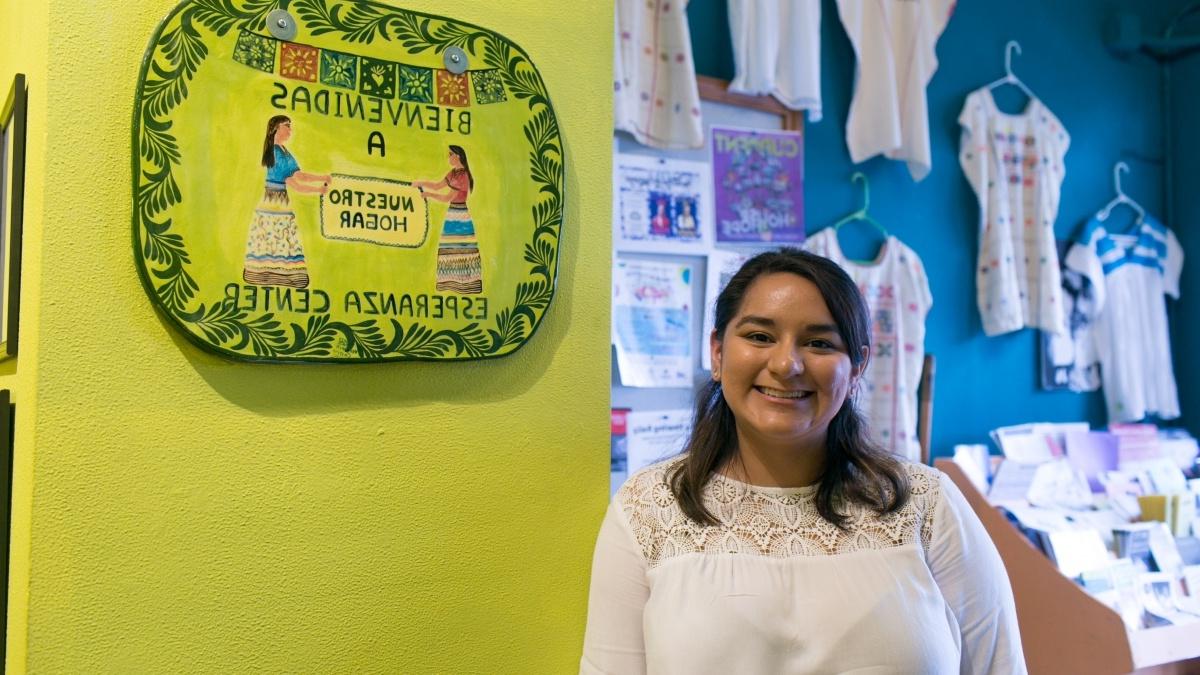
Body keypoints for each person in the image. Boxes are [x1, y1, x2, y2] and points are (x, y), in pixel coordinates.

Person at [581, 249, 1026, 674]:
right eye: (759, 336)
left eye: (818, 342)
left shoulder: (927, 505)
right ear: (718, 353)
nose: (786, 364)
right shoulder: (648, 509)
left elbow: (999, 667)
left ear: (856, 369)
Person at [243, 115, 330, 289]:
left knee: (279, 237)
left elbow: (297, 179)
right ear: (276, 128)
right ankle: (268, 274)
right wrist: (320, 183)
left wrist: (320, 184)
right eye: (286, 126)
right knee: (275, 236)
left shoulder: (283, 151)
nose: (290, 130)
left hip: (279, 199)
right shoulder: (276, 153)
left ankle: (276, 274)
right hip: (274, 201)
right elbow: (297, 179)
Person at [413, 145, 483, 294]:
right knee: (450, 250)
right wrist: (421, 183)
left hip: (460, 216)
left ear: (457, 156)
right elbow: (438, 185)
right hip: (452, 215)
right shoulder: (453, 173)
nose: (448, 157)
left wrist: (428, 195)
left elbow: (447, 197)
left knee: (461, 250)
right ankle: (449, 284)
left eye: (450, 154)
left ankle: (466, 285)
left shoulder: (463, 176)